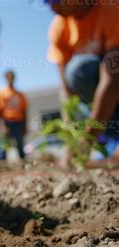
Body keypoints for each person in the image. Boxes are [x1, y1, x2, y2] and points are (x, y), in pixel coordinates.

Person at [46, 0, 119, 160]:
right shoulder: (59, 26)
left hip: (113, 82)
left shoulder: (111, 8)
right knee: (75, 73)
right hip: (103, 94)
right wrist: (71, 139)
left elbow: (112, 80)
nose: (52, 6)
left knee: (82, 69)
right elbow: (66, 92)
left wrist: (87, 140)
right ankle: (110, 137)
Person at [0, 71, 28, 161]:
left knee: (20, 144)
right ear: (5, 79)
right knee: (4, 145)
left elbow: (24, 110)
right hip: (7, 121)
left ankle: (23, 161)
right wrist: (2, 125)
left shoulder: (19, 94)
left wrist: (25, 125)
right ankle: (2, 163)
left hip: (18, 121)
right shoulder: (1, 93)